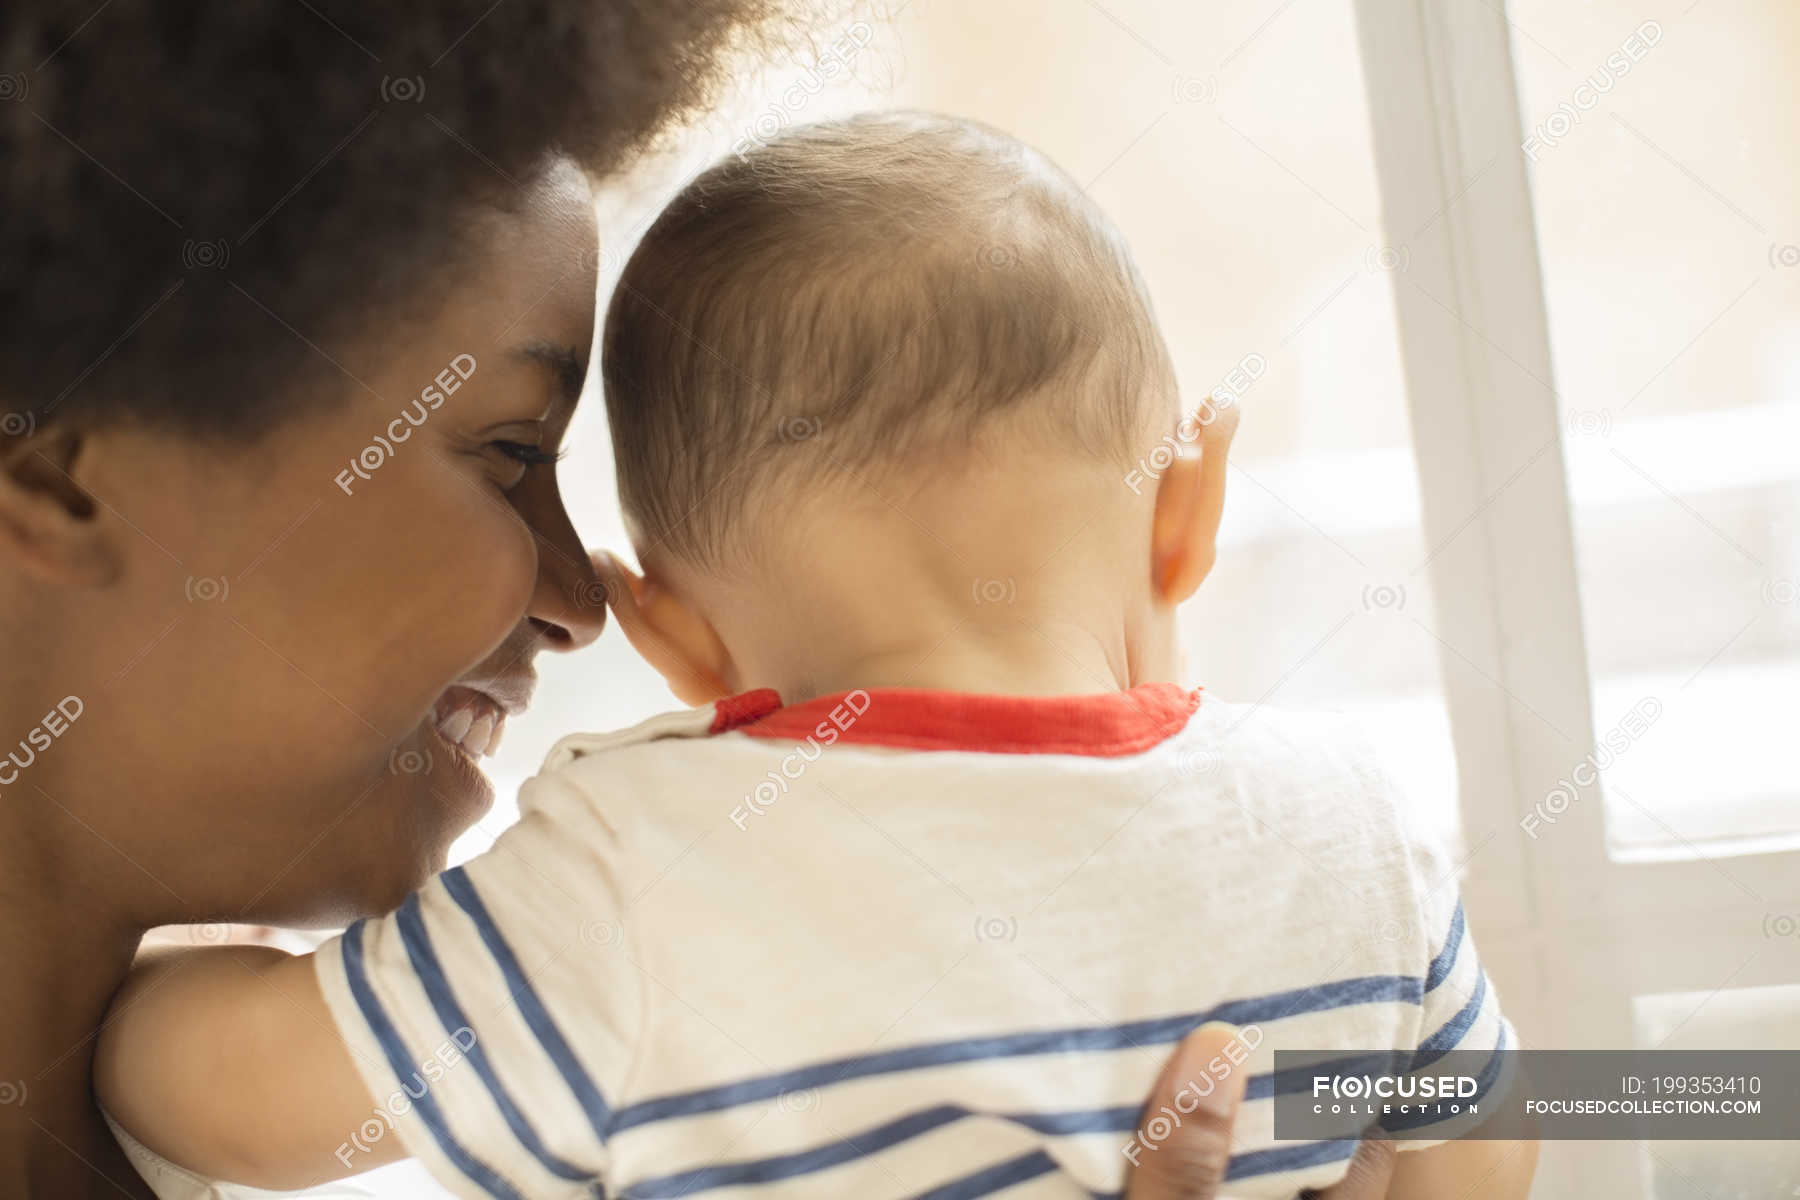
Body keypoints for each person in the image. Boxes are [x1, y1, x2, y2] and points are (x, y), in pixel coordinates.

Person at [0, 6, 1369, 1198]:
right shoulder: (1325, 827)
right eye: (512, 452)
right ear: (66, 477)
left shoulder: (541, 989)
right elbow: (1537, 1096)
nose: (578, 600)